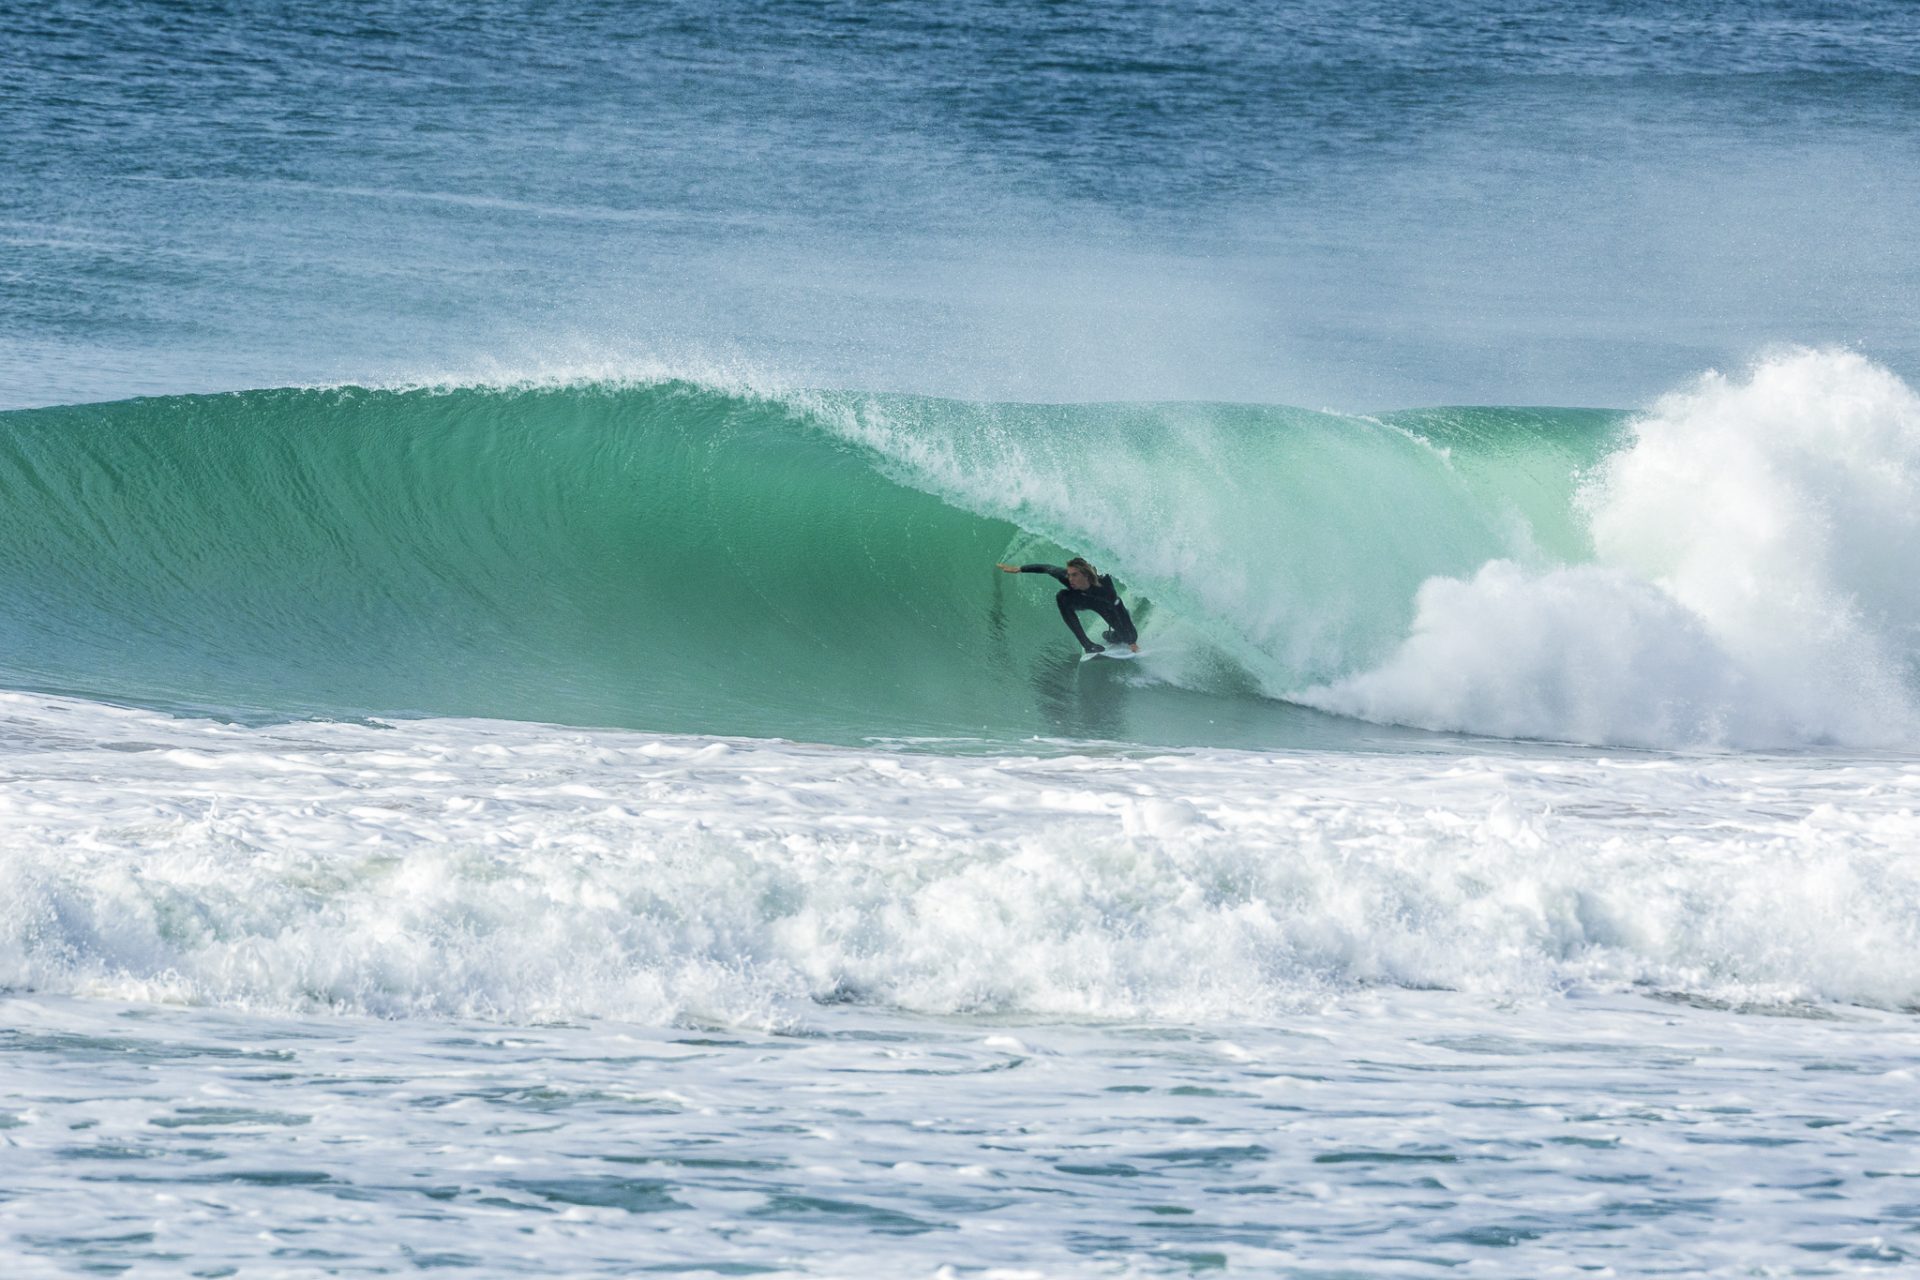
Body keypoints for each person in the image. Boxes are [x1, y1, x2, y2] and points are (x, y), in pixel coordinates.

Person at [995, 556, 1140, 654]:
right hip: (1081, 599)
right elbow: (1046, 568)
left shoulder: (1104, 588)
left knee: (1129, 636)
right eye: (1069, 574)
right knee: (1062, 597)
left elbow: (1119, 608)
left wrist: (1132, 642)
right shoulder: (1066, 577)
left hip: (1104, 605)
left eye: (1074, 575)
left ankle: (1114, 635)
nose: (1070, 578)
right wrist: (1020, 568)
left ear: (1086, 575)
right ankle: (1087, 645)